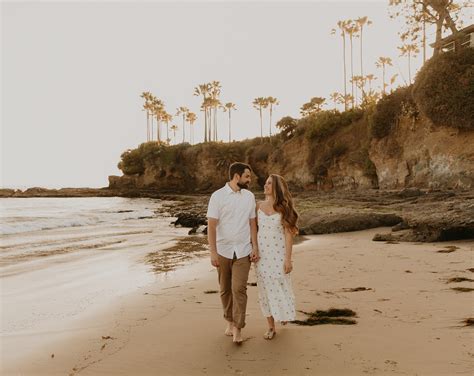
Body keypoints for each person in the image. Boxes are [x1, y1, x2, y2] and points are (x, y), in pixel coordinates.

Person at [206, 162, 260, 344]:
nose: (249, 180)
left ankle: (238, 327)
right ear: (237, 176)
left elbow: (253, 223)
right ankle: (229, 320)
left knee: (239, 289)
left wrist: (255, 246)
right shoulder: (217, 196)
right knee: (225, 290)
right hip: (223, 250)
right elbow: (211, 226)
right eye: (247, 176)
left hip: (243, 250)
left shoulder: (249, 197)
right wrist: (213, 252)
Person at [255, 174, 299, 340]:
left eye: (269, 184)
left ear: (277, 188)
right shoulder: (258, 206)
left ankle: (283, 312)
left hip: (278, 255)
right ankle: (271, 327)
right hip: (261, 256)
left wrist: (288, 259)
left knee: (280, 286)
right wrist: (254, 248)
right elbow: (254, 230)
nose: (265, 186)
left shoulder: (283, 208)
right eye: (265, 183)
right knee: (265, 290)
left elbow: (288, 236)